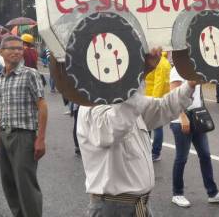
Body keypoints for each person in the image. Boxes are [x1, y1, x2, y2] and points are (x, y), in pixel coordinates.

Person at [51, 48, 200, 216]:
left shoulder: (125, 100)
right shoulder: (91, 106)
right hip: (113, 209)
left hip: (140, 206)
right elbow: (113, 127)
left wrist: (190, 85)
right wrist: (140, 74)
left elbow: (162, 108)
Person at [0, 35, 48, 217]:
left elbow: (42, 106)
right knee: (9, 184)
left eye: (19, 49)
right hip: (4, 135)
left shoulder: (30, 74)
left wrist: (41, 139)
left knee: (26, 186)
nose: (16, 51)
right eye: (11, 48)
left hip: (24, 136)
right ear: (1, 51)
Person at [169, 66, 219, 208]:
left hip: (197, 117)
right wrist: (182, 116)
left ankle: (213, 193)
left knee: (205, 155)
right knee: (181, 158)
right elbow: (173, 96)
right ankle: (177, 194)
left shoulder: (196, 69)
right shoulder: (176, 70)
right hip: (181, 120)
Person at [144, 51, 171, 161]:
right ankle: (149, 150)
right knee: (149, 126)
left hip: (153, 99)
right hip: (152, 97)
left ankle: (155, 152)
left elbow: (159, 84)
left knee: (155, 127)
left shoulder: (160, 63)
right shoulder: (164, 61)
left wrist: (153, 102)